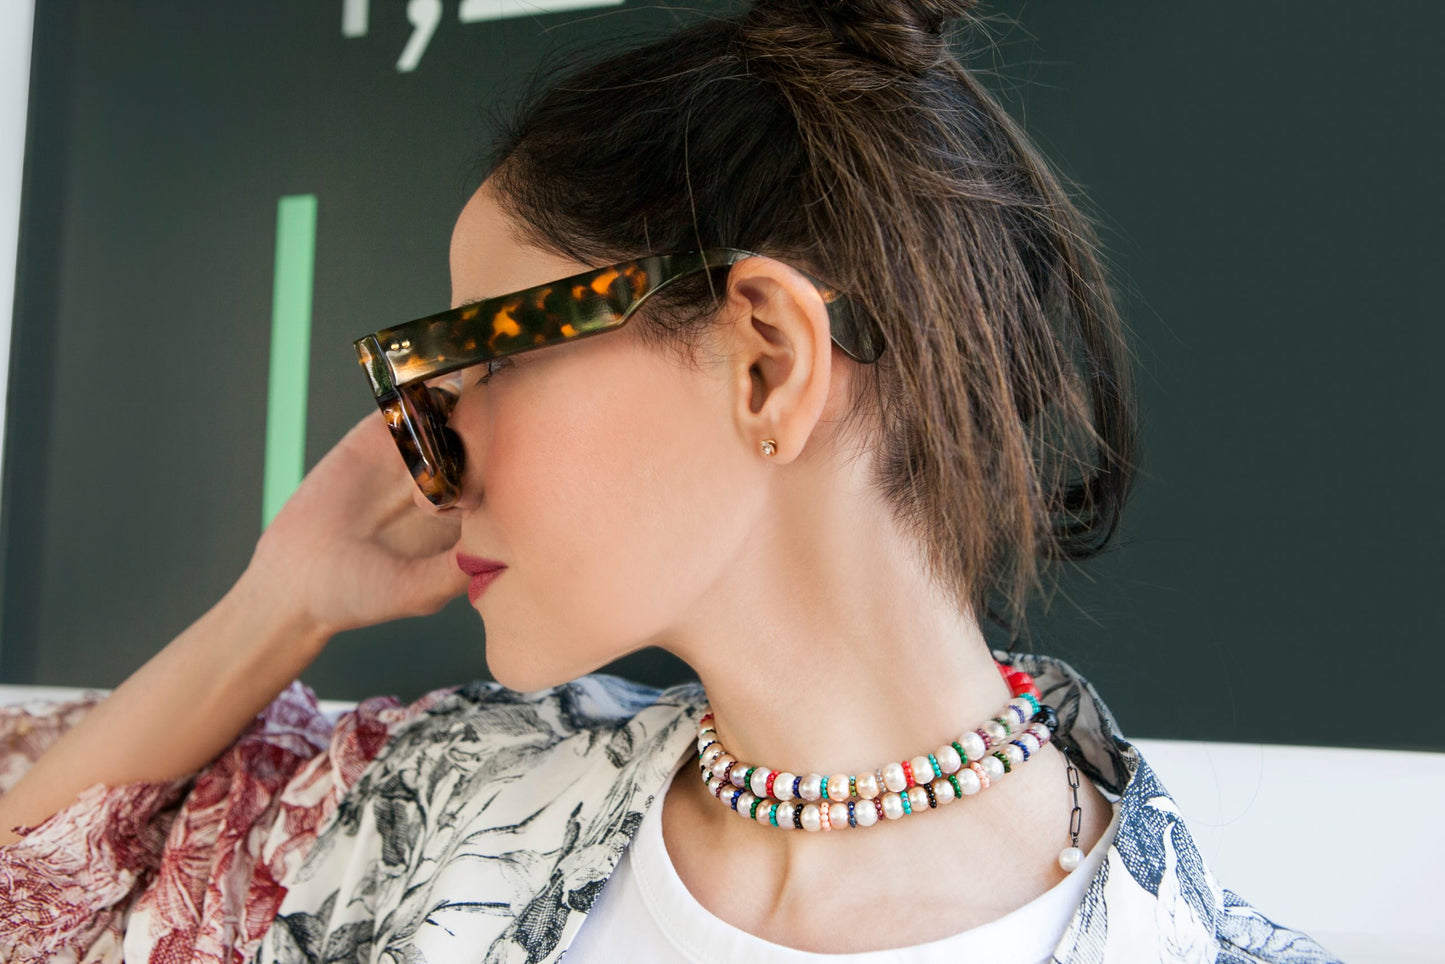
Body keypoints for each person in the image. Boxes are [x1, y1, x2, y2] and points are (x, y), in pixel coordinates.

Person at [0, 1, 1339, 961]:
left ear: (764, 361)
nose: (432, 459)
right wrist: (275, 607)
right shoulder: (431, 796)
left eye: (474, 355)